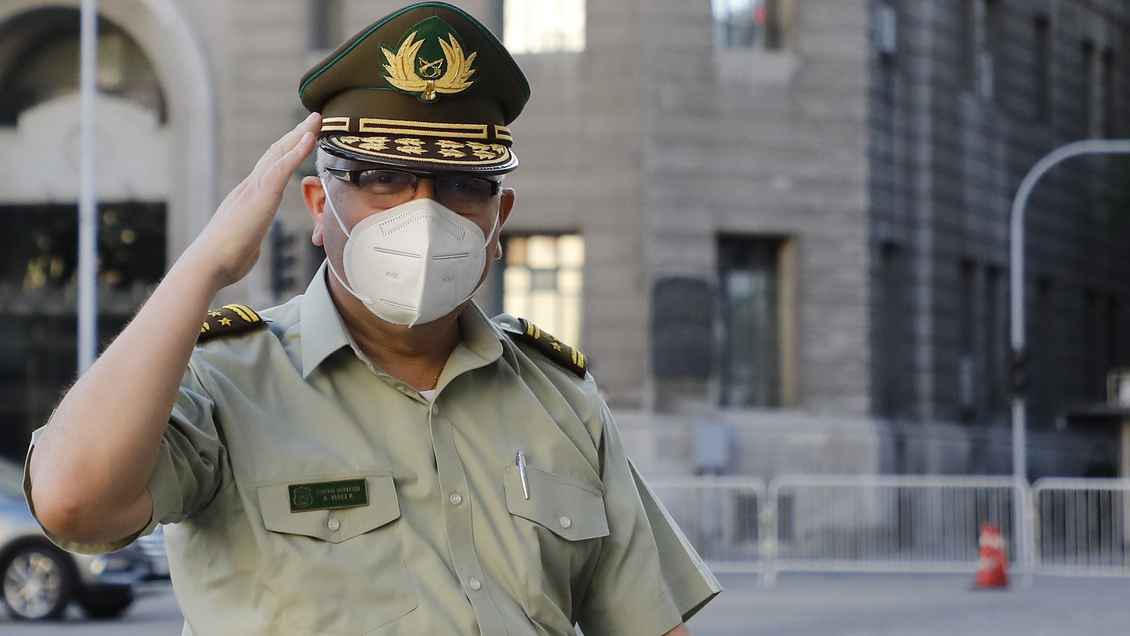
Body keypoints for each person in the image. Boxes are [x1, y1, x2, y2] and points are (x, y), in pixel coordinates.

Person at [24, 3, 720, 634]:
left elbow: (649, 625)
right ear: (321, 207)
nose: (425, 213)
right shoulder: (224, 383)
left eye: (460, 185)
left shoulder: (563, 400)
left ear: (497, 218)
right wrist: (203, 265)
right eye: (382, 179)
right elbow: (72, 504)